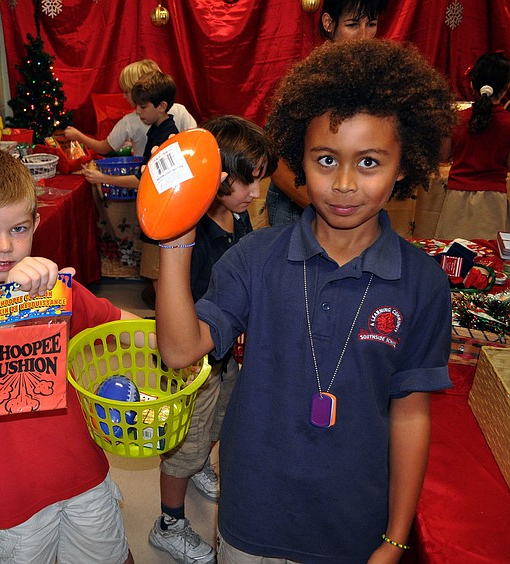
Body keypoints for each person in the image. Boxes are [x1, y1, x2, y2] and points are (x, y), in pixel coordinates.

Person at [155, 40, 456, 562]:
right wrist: (176, 239)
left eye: (368, 162)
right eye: (324, 160)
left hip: (352, 522)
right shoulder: (255, 257)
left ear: (404, 165)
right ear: (299, 160)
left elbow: (411, 414)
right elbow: (182, 352)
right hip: (253, 514)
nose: (343, 184)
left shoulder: (422, 282)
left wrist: (396, 536)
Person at [0, 148, 139, 564]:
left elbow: (122, 323)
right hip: (15, 497)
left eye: (17, 228)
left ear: (36, 224)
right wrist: (9, 302)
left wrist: (177, 343)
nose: (5, 246)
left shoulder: (56, 287)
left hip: (83, 472)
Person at [148, 116, 277, 564]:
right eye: (248, 182)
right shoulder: (193, 232)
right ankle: (168, 522)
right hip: (194, 369)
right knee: (182, 449)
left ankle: (204, 461)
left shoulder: (237, 219)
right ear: (217, 178)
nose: (256, 194)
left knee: (214, 430)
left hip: (222, 361)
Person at [266, 0, 389, 227]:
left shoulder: (378, 82)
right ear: (329, 23)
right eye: (352, 25)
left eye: (371, 24)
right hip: (299, 205)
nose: (364, 36)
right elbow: (274, 159)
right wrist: (318, 204)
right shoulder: (307, 81)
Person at [83, 70, 180, 307]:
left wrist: (102, 178)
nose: (138, 111)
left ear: (162, 106)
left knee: (159, 276)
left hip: (161, 218)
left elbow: (143, 180)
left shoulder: (166, 135)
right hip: (158, 216)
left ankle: (166, 317)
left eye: (143, 106)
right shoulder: (158, 129)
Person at [435, 52, 510, 240]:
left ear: (472, 85)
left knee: (452, 257)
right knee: (491, 260)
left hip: (457, 199)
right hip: (493, 201)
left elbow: (443, 155)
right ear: (507, 86)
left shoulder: (456, 119)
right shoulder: (508, 122)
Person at [64, 59, 197, 157]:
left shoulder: (129, 121)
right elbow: (195, 139)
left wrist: (78, 136)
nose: (123, 96)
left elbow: (103, 148)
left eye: (126, 92)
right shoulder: (180, 110)